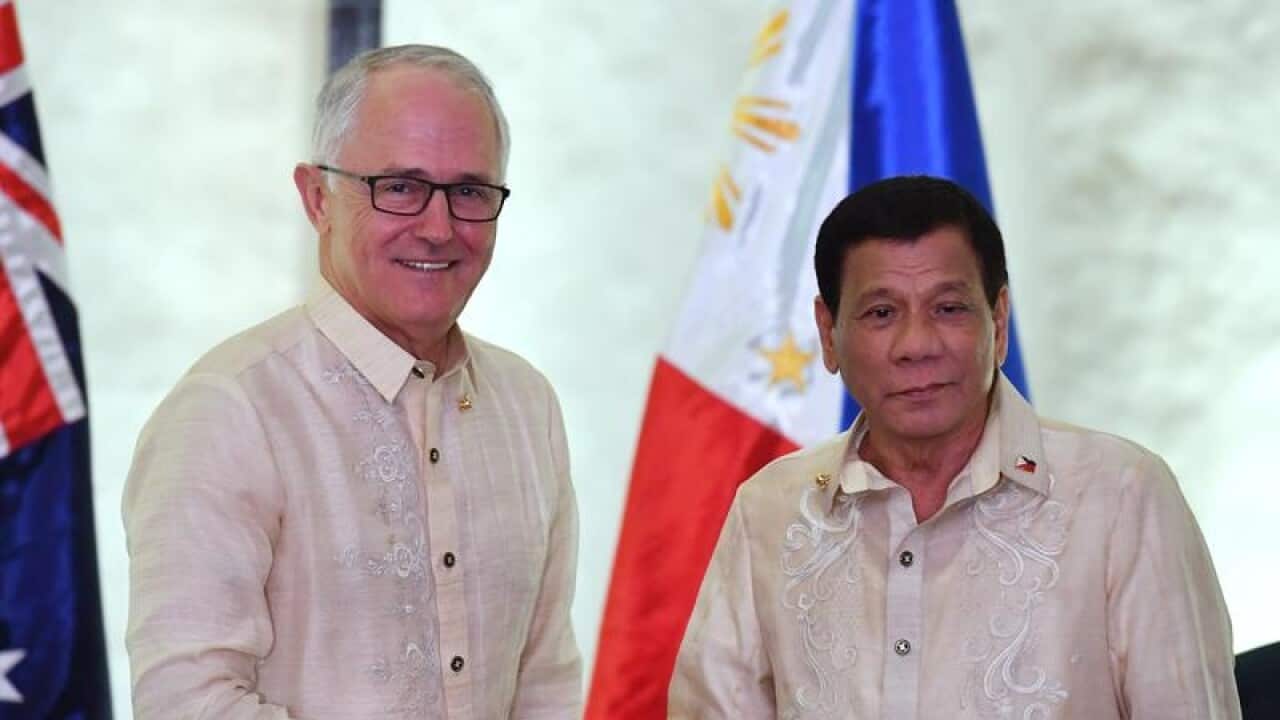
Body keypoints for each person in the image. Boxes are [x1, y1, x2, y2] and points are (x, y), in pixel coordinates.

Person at [668, 175, 1241, 718]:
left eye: (948, 308)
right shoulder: (772, 507)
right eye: (881, 313)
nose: (916, 345)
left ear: (999, 317)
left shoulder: (1121, 495)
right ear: (828, 332)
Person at [124, 45, 582, 718]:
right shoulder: (230, 410)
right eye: (399, 187)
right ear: (318, 198)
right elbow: (187, 703)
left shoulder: (526, 405)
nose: (438, 227)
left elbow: (546, 683)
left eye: (470, 192)